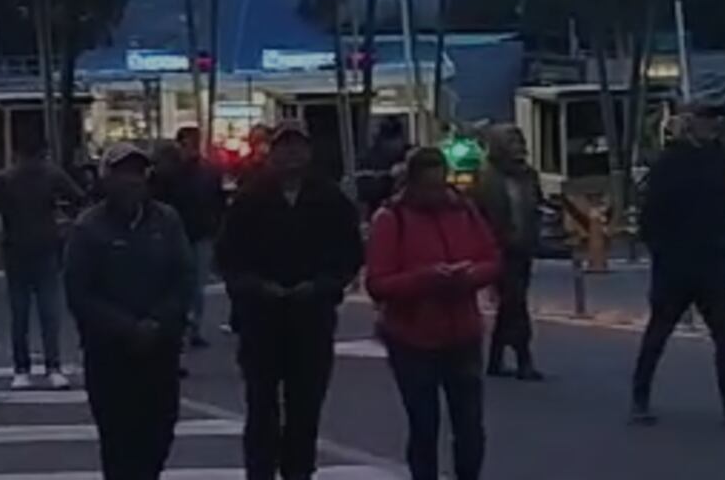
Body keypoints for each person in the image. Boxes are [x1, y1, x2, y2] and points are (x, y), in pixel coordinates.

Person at [217, 121, 364, 480]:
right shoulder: (251, 198)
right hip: (260, 319)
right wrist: (255, 286)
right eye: (283, 146)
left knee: (305, 408)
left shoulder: (329, 199)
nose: (291, 153)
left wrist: (321, 286)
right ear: (272, 152)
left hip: (311, 317)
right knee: (261, 406)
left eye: (298, 146)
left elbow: (349, 255)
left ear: (309, 152)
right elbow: (229, 258)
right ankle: (260, 472)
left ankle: (299, 472)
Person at [367, 148, 501, 480]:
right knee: (424, 424)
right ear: (411, 183)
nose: (436, 193)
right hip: (412, 338)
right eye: (428, 186)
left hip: (463, 333)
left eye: (440, 185)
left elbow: (492, 258)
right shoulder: (391, 219)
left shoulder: (464, 213)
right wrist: (425, 279)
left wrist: (469, 276)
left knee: (470, 426)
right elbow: (378, 282)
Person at [66, 143, 194, 480]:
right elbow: (80, 293)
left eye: (137, 173)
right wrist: (125, 327)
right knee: (119, 441)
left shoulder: (167, 221)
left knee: (158, 434)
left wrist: (160, 321)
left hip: (160, 349)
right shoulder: (88, 228)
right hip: (110, 353)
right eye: (122, 173)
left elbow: (184, 278)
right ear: (107, 179)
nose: (131, 181)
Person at [630, 103, 725, 426]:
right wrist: (661, 250)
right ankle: (639, 398)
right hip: (675, 263)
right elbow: (651, 214)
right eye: (708, 121)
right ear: (692, 124)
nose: (714, 126)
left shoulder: (719, 159)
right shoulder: (670, 162)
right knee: (658, 332)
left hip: (712, 263)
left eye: (717, 121)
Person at [0, 134, 84, 389]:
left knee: (20, 314)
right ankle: (53, 367)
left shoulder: (4, 178)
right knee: (49, 313)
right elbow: (79, 198)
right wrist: (66, 222)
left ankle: (21, 369)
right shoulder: (51, 175)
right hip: (46, 247)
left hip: (15, 248)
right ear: (42, 153)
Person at [472, 124, 545, 381]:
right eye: (511, 143)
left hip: (523, 246)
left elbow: (536, 206)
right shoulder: (486, 178)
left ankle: (495, 357)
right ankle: (524, 357)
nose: (518, 149)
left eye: (519, 143)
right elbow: (478, 215)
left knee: (510, 303)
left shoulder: (528, 176)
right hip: (498, 249)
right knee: (515, 302)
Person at [151, 127, 226, 348]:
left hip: (198, 230)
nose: (191, 148)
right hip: (182, 231)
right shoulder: (172, 172)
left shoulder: (206, 171)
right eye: (188, 143)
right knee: (184, 282)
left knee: (195, 283)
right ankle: (185, 326)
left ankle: (192, 326)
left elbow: (215, 200)